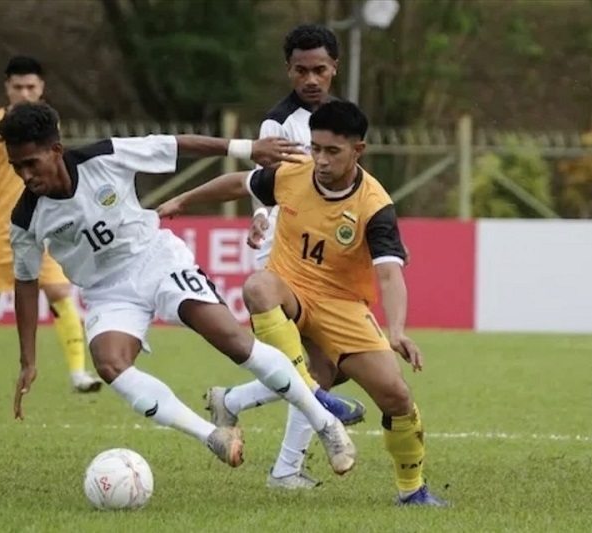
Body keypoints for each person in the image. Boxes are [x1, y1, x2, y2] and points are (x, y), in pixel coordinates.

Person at [2, 101, 357, 473]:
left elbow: (174, 144)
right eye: (16, 167)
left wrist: (246, 148)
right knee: (110, 364)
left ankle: (325, 423)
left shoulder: (105, 157)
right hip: (107, 293)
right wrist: (28, 360)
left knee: (233, 341)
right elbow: (26, 282)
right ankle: (214, 437)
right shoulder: (25, 218)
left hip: (157, 261)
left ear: (55, 150)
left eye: (31, 163)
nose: (25, 175)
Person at [157, 100, 447, 506]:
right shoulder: (293, 174)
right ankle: (312, 395)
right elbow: (239, 183)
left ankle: (412, 491)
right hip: (288, 292)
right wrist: (182, 201)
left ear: (358, 151)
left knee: (397, 397)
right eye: (316, 148)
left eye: (333, 151)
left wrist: (396, 328)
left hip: (343, 306)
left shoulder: (375, 205)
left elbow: (388, 273)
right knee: (258, 286)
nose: (321, 160)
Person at [206, 24, 366, 489]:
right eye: (301, 70)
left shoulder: (344, 119)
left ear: (335, 68)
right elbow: (264, 181)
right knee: (317, 368)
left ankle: (234, 403)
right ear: (288, 71)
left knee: (321, 368)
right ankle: (285, 469)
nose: (311, 79)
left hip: (322, 257)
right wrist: (259, 216)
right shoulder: (279, 122)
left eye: (320, 69)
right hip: (282, 256)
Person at [0, 56, 101, 394]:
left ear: (42, 88)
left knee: (59, 292)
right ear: (7, 88)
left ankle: (79, 373)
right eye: (18, 86)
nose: (24, 92)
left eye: (31, 87)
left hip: (46, 224)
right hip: (0, 228)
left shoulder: (49, 126)